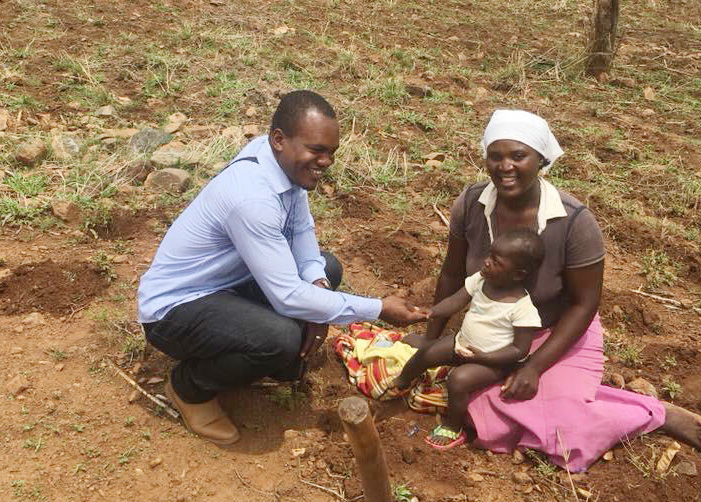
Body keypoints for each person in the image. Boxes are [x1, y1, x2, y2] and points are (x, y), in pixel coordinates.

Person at [137, 90, 427, 445]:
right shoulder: (251, 198)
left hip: (228, 284)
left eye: (331, 153)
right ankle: (189, 387)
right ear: (278, 139)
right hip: (175, 310)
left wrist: (318, 298)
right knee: (280, 339)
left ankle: (266, 358)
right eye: (317, 150)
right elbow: (289, 296)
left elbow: (303, 238)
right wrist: (378, 308)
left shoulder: (283, 164)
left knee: (327, 269)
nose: (325, 162)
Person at [424, 109, 701, 471]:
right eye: (496, 155)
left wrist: (535, 367)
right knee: (476, 413)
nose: (505, 166)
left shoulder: (573, 221)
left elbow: (585, 305)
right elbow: (450, 275)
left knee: (559, 433)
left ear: (540, 160)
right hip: (496, 330)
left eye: (518, 156)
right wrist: (431, 339)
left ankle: (657, 414)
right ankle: (586, 397)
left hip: (557, 333)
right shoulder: (471, 205)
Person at [391, 228, 545, 450]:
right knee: (427, 352)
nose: (487, 262)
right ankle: (402, 381)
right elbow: (456, 301)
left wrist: (487, 357)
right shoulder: (481, 280)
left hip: (491, 361)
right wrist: (430, 312)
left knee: (459, 380)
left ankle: (454, 426)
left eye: (496, 261)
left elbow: (519, 350)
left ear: (518, 274)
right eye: (489, 255)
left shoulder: (522, 308)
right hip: (461, 343)